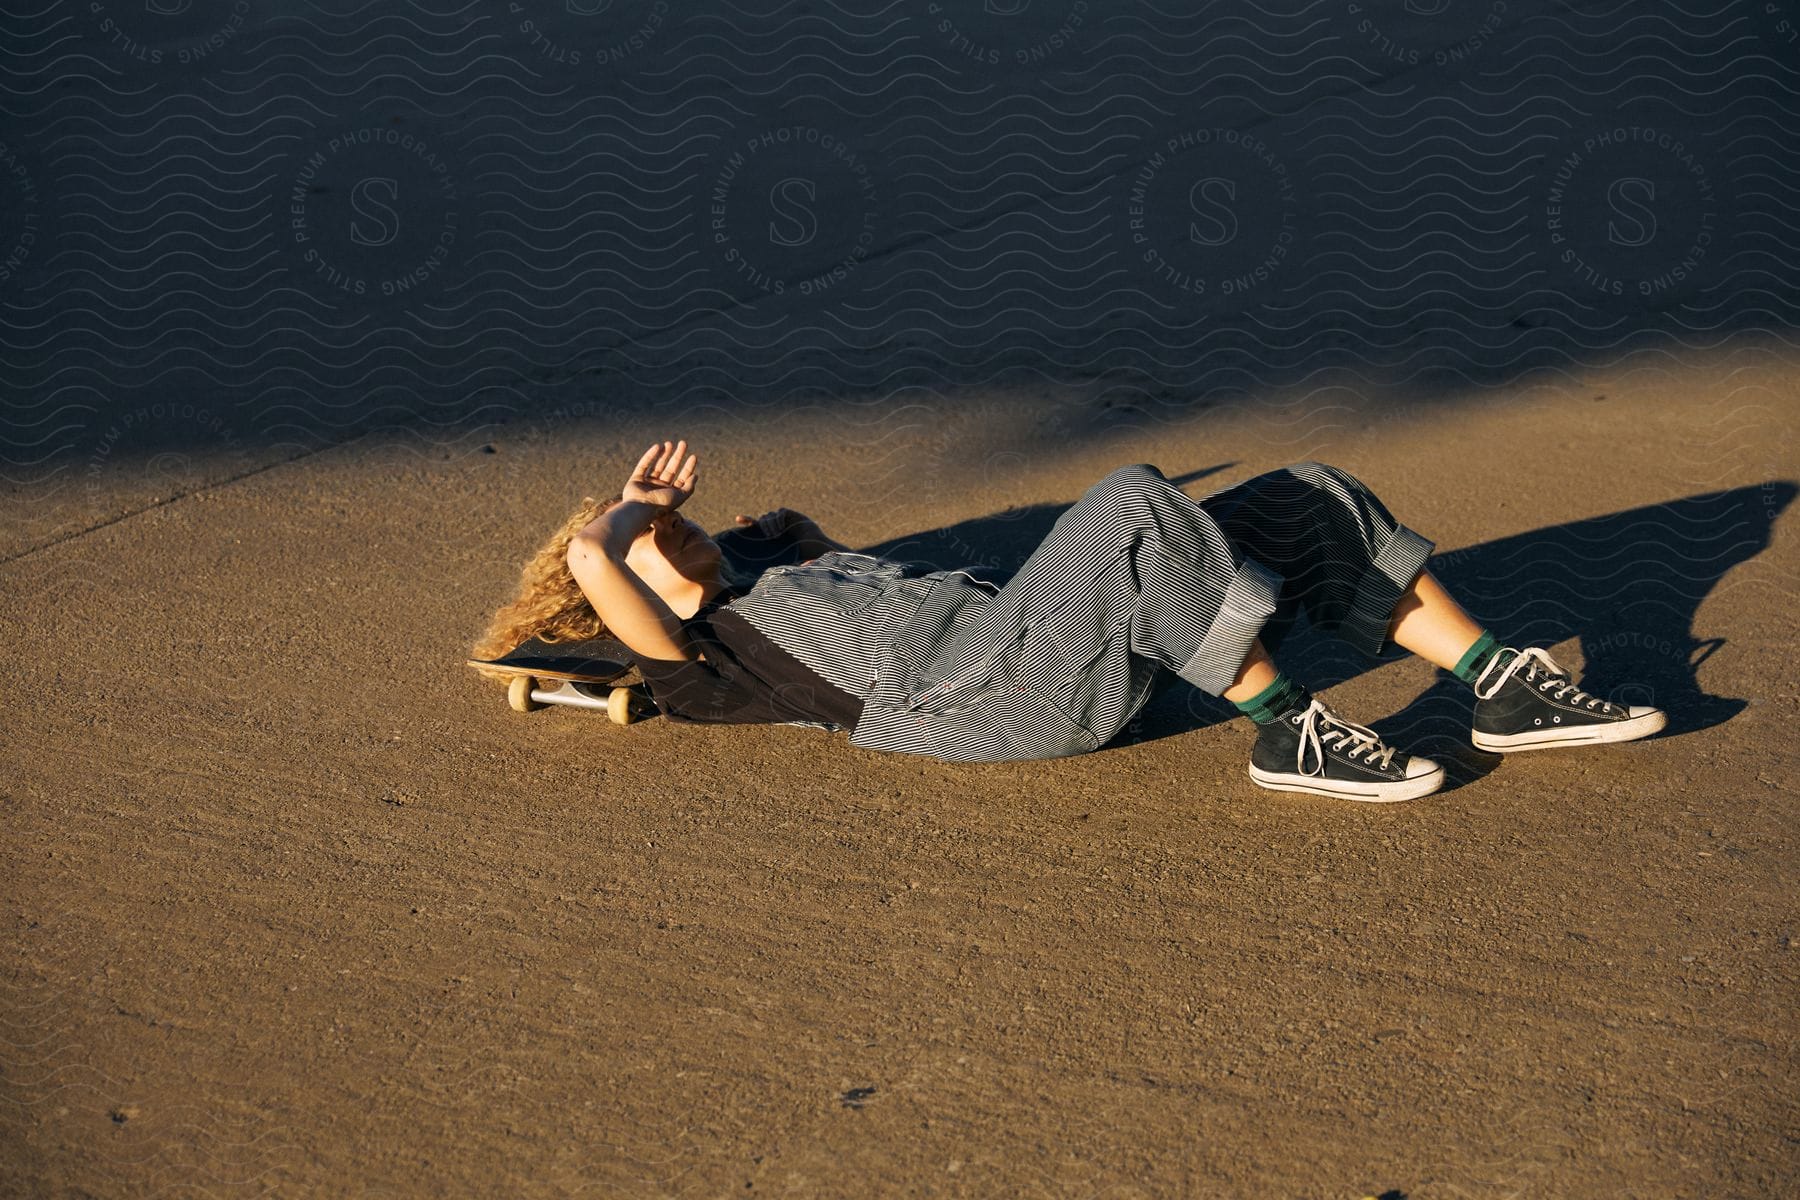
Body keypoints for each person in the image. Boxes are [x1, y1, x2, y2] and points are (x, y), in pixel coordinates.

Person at [471, 439, 1667, 801]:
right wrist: (620, 520)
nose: (668, 529)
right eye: (644, 546)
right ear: (622, 593)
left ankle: (1501, 684)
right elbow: (593, 556)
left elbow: (819, 550)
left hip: (1028, 640)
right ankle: (1286, 730)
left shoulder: (769, 578)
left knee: (1304, 498)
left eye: (667, 520)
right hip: (982, 706)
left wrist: (753, 539)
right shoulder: (709, 660)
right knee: (1134, 505)